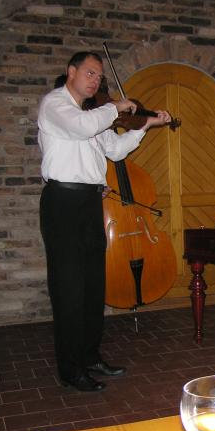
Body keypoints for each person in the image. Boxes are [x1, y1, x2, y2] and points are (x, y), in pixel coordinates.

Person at [38, 51, 172, 392]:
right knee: (69, 288)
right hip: (63, 202)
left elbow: (115, 150)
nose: (96, 80)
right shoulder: (55, 105)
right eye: (90, 73)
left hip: (89, 202)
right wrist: (117, 107)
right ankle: (71, 369)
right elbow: (82, 127)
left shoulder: (92, 116)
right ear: (71, 72)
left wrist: (146, 125)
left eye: (99, 76)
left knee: (93, 286)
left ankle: (90, 356)